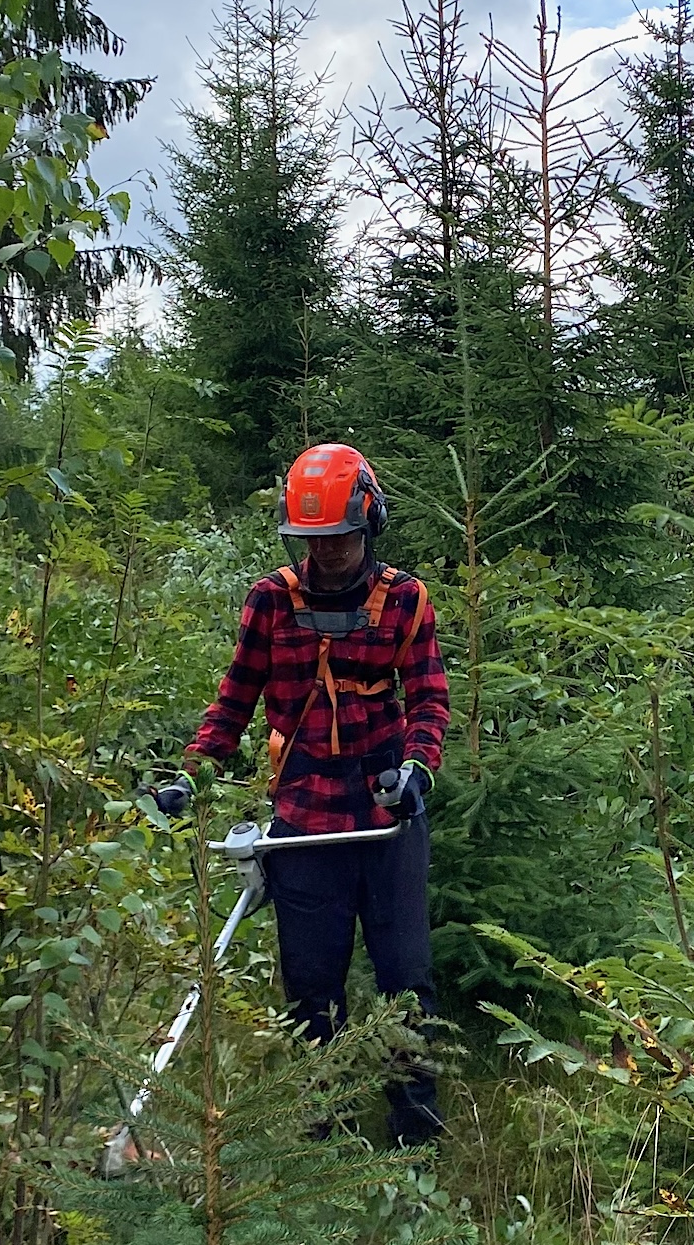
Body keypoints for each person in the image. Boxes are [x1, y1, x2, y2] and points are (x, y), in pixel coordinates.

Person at [157, 442, 450, 1145]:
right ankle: (323, 1133)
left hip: (383, 820)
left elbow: (430, 698)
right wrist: (190, 775)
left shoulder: (404, 599)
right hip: (305, 819)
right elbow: (232, 705)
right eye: (314, 542)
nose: (330, 555)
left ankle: (417, 1131)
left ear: (369, 523)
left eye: (343, 539)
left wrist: (417, 769)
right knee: (311, 990)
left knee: (406, 983)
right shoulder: (270, 601)